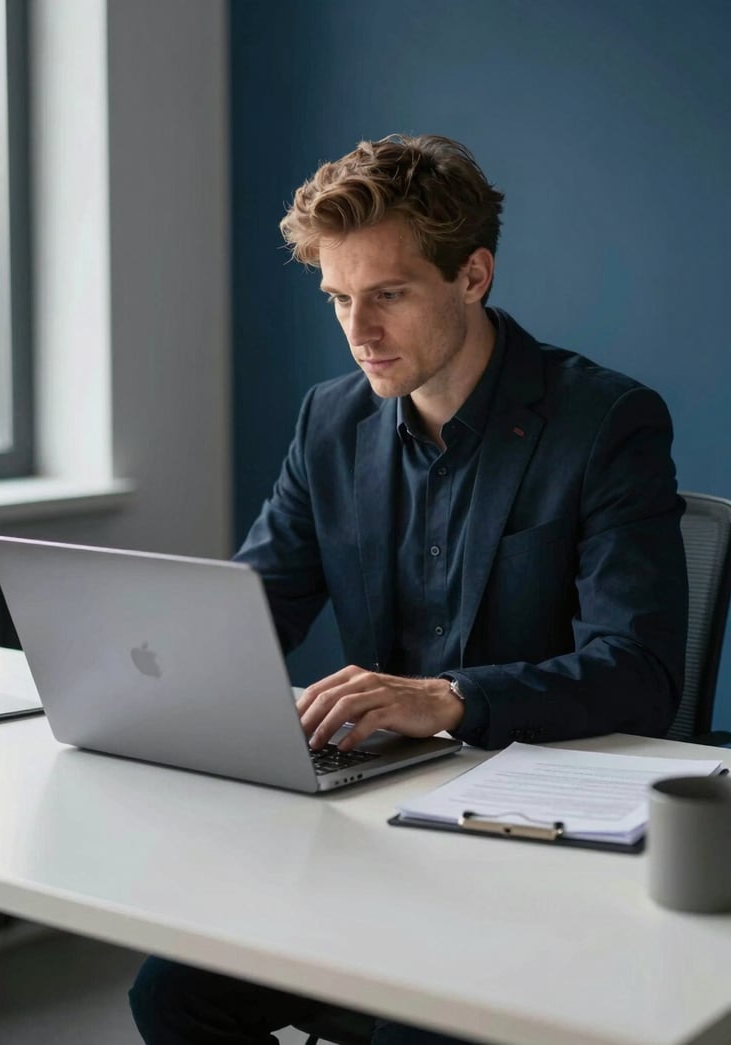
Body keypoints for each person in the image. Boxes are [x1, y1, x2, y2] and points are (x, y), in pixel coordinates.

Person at [129, 133, 688, 1045]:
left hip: (534, 844)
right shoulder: (330, 419)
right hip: (374, 825)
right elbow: (253, 607)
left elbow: (640, 672)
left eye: (387, 294)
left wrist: (449, 697)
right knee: (170, 994)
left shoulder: (605, 421)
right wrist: (149, 669)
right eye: (338, 298)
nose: (359, 331)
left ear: (473, 275)